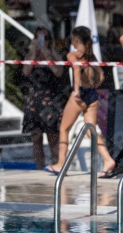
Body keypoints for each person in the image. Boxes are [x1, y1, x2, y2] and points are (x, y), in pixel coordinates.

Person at [44, 26, 116, 178]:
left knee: (64, 128)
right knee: (91, 131)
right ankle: (108, 159)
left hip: (81, 93)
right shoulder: (91, 56)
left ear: (76, 39)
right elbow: (101, 75)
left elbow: (76, 70)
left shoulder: (73, 55)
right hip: (92, 94)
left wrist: (76, 90)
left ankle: (61, 164)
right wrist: (94, 86)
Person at [22, 27, 64, 169]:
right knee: (36, 138)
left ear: (49, 41)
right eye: (39, 38)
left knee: (53, 138)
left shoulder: (55, 56)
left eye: (45, 38)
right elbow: (26, 72)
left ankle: (55, 166)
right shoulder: (30, 56)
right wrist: (34, 52)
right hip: (33, 100)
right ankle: (39, 168)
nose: (42, 41)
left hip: (50, 99)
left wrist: (47, 54)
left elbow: (58, 72)